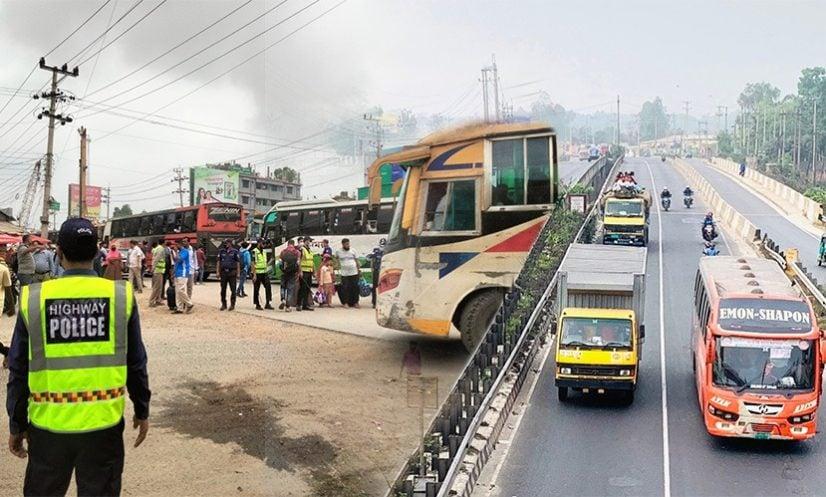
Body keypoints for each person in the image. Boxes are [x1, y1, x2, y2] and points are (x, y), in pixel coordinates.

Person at [5, 217, 150, 497]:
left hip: (49, 427)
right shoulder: (119, 296)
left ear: (58, 252)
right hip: (103, 426)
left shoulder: (34, 298)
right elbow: (136, 362)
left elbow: (18, 369)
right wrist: (142, 409)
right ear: (97, 251)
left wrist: (17, 424)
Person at [335, 238, 361, 308]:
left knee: (355, 287)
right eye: (346, 244)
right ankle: (345, 303)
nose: (348, 245)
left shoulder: (353, 250)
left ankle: (356, 302)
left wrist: (359, 270)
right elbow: (336, 259)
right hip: (344, 273)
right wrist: (336, 267)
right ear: (343, 244)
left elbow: (357, 260)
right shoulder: (338, 251)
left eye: (348, 244)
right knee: (345, 288)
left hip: (354, 272)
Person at [217, 240, 240, 311]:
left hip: (232, 272)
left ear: (230, 244)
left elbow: (238, 263)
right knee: (223, 289)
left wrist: (238, 273)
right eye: (225, 243)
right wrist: (217, 272)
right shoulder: (221, 251)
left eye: (227, 243)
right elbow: (218, 262)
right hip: (223, 273)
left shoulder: (235, 251)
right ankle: (224, 304)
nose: (225, 244)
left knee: (233, 290)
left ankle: (232, 304)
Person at [172, 238, 194, 314]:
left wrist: (175, 252)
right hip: (177, 273)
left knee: (180, 290)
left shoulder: (185, 251)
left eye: (176, 244)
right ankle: (179, 308)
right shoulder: (180, 251)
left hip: (183, 273)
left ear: (179, 244)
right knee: (177, 291)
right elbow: (176, 261)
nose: (175, 246)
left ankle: (189, 303)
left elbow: (180, 259)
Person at [252, 239, 273, 311]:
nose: (264, 245)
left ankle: (268, 303)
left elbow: (265, 262)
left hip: (264, 272)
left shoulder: (264, 251)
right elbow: (253, 263)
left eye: (264, 244)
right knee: (256, 289)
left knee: (268, 287)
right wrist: (254, 275)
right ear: (259, 243)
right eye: (263, 243)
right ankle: (257, 304)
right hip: (257, 273)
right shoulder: (254, 251)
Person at [278, 240, 300, 311]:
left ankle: (283, 300)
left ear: (287, 244)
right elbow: (298, 263)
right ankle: (288, 306)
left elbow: (280, 263)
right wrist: (298, 272)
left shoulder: (283, 251)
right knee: (290, 289)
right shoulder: (297, 252)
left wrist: (282, 270)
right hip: (292, 273)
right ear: (293, 244)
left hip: (284, 273)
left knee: (283, 286)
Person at [297, 237, 315, 312]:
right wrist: (300, 271)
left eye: (310, 241)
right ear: (304, 242)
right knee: (302, 288)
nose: (309, 242)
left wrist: (314, 271)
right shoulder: (302, 249)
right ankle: (299, 304)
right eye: (307, 241)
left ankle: (305, 305)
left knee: (307, 289)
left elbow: (312, 261)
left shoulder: (310, 250)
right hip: (304, 271)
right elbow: (299, 261)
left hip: (309, 271)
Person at [149, 241, 166, 307]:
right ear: (163, 243)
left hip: (160, 270)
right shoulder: (160, 249)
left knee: (159, 286)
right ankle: (151, 302)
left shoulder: (157, 248)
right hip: (158, 270)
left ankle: (158, 300)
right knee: (156, 287)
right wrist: (153, 268)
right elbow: (156, 259)